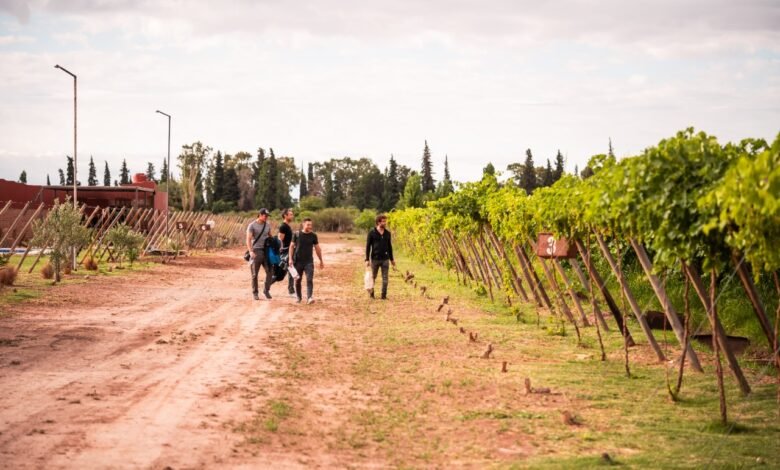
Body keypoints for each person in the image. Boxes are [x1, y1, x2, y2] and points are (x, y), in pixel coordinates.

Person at [288, 218, 324, 304]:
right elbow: (291, 247)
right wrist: (290, 259)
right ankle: (299, 297)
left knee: (309, 279)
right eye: (308, 225)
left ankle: (309, 297)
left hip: (309, 262)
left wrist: (321, 260)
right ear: (303, 224)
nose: (310, 226)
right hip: (298, 261)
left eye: (311, 225)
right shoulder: (296, 234)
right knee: (297, 281)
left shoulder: (313, 235)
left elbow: (317, 249)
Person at [365, 213, 396, 300]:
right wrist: (367, 259)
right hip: (375, 259)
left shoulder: (387, 233)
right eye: (383, 221)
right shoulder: (372, 233)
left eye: (385, 221)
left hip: (385, 259)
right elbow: (368, 246)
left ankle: (383, 295)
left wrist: (392, 259)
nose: (385, 223)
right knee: (373, 278)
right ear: (378, 222)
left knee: (385, 278)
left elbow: (389, 247)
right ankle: (372, 294)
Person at [246, 208, 273, 300]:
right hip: (256, 251)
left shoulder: (267, 225)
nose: (266, 218)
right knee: (254, 274)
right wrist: (250, 251)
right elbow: (248, 239)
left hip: (266, 251)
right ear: (260, 215)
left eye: (267, 216)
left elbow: (270, 236)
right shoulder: (252, 225)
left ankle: (266, 290)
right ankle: (255, 292)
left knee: (270, 271)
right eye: (265, 216)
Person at [278, 208, 296, 297]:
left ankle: (291, 290)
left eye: (292, 214)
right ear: (285, 216)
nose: (292, 216)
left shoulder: (287, 226)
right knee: (280, 274)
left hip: (289, 250)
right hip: (285, 251)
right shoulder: (283, 226)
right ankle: (266, 287)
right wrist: (282, 251)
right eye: (290, 214)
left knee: (290, 270)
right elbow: (280, 239)